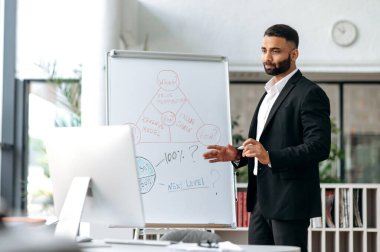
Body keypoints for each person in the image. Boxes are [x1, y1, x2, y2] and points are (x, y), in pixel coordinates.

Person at [203, 24, 331, 252]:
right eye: (264, 50)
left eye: (275, 51)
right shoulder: (268, 94)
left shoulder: (309, 93)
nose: (267, 57)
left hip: (290, 201)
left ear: (294, 54)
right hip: (260, 200)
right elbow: (263, 147)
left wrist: (269, 156)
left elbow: (319, 147)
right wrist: (238, 155)